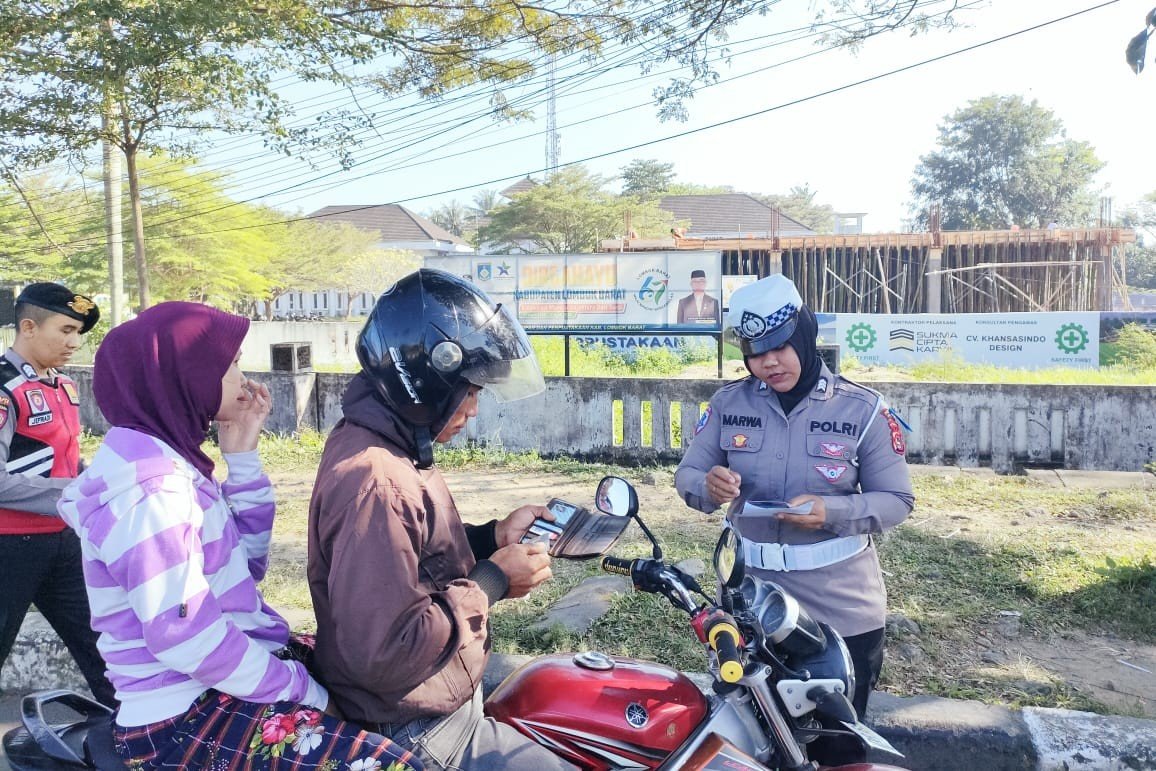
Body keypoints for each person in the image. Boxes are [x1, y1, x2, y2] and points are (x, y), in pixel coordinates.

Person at [56, 302, 419, 771]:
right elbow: (186, 637)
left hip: (219, 677)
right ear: (185, 379)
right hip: (183, 713)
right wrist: (302, 691)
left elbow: (243, 568)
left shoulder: (171, 464)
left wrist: (242, 455)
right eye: (229, 365)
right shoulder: (149, 491)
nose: (243, 379)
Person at [307, 269, 574, 771]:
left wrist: (491, 537)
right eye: (470, 390)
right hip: (413, 722)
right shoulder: (377, 480)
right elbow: (385, 652)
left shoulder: (384, 443)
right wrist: (493, 580)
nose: (473, 409)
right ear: (425, 384)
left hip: (435, 689)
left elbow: (408, 560)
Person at [674, 274, 913, 765]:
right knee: (754, 736)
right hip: (752, 602)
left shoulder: (861, 409)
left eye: (780, 348)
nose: (769, 363)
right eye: (757, 353)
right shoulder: (728, 405)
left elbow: (897, 500)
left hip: (841, 605)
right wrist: (708, 486)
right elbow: (689, 476)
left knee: (839, 746)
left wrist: (834, 511)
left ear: (804, 336)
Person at [0, 282, 115, 707]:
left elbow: (66, 462)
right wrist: (80, 490)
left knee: (106, 649)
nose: (74, 342)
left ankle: (136, 743)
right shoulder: (3, 387)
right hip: (8, 547)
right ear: (28, 327)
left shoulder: (63, 386)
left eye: (78, 332)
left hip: (64, 543)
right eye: (65, 330)